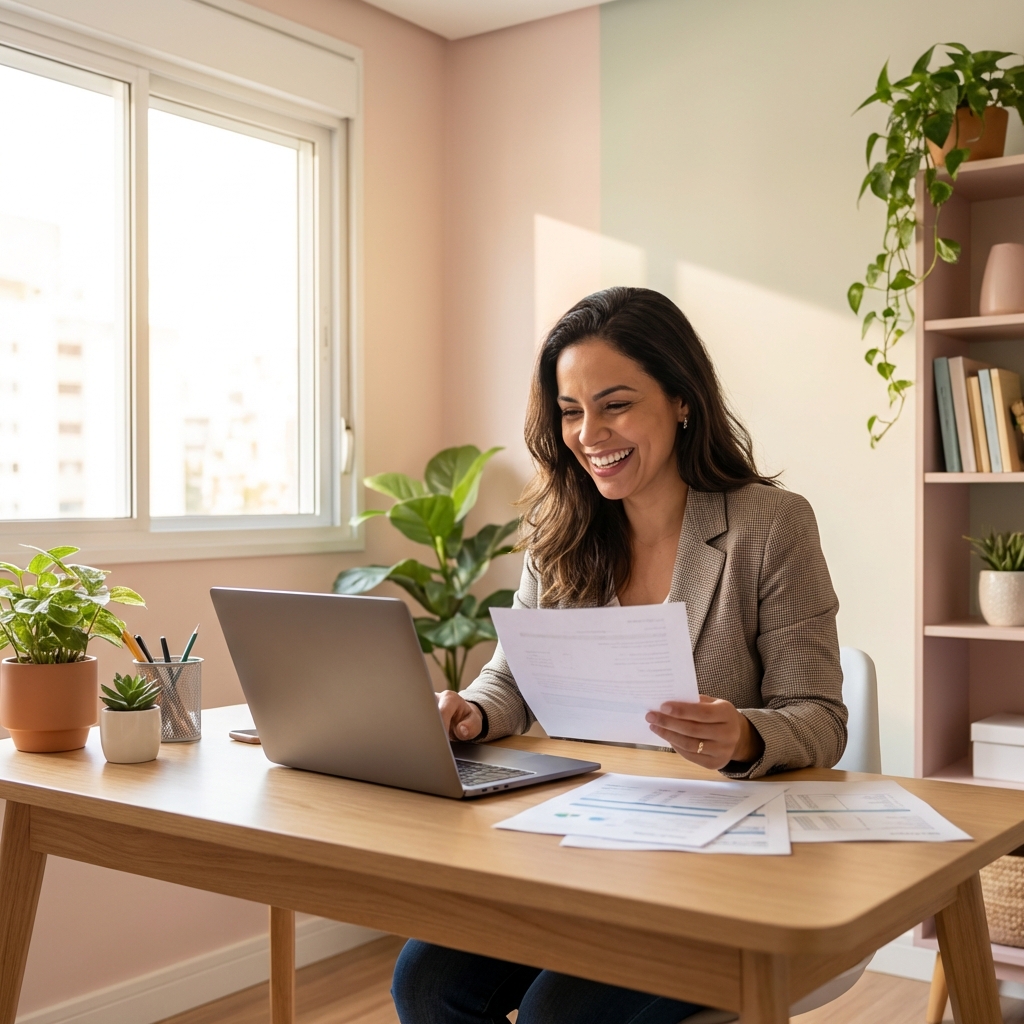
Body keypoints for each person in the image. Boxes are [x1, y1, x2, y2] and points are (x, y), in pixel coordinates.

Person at [391, 286, 847, 1024]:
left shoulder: (770, 526)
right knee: (425, 984)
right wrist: (473, 711)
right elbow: (516, 672)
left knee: (557, 1016)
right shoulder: (560, 529)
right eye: (571, 411)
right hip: (581, 840)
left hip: (712, 858)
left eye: (615, 404)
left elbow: (821, 718)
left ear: (682, 401)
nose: (589, 432)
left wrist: (746, 734)